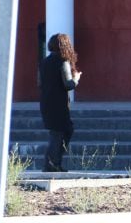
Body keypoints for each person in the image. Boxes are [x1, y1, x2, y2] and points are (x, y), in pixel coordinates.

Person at [39, 33, 81, 172]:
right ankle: (51, 163)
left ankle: (54, 163)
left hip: (46, 102)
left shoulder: (44, 62)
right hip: (59, 104)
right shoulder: (63, 62)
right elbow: (69, 85)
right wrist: (76, 78)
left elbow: (39, 82)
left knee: (60, 131)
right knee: (61, 132)